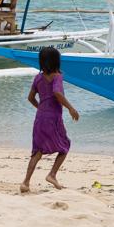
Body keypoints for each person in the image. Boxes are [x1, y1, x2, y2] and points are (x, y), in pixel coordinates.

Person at [21, 46, 79, 192]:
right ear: (56, 61)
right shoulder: (57, 76)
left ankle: (25, 183)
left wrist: (41, 108)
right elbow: (57, 93)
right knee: (65, 145)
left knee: (37, 151)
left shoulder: (38, 78)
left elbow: (30, 98)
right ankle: (52, 174)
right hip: (53, 119)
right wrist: (71, 108)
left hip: (40, 118)